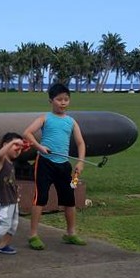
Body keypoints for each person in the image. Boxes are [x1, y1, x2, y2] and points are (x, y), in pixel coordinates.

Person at [22, 83, 87, 250]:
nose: (63, 102)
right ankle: (33, 235)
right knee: (40, 197)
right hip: (44, 163)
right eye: (59, 99)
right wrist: (39, 147)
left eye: (66, 99)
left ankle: (70, 233)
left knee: (69, 200)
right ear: (51, 101)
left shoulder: (71, 122)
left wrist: (80, 162)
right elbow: (27, 133)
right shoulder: (45, 118)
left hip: (63, 165)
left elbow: (80, 143)